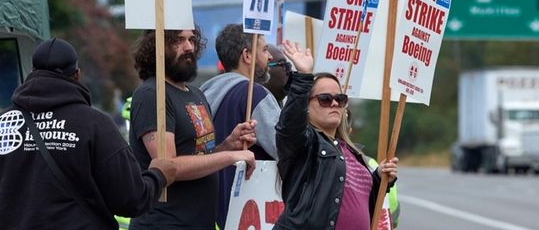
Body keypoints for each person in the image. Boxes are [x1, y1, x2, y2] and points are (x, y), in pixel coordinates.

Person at [0, 37, 177, 230]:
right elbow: (131, 200)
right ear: (77, 74)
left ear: (33, 72)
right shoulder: (94, 126)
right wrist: (158, 175)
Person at [129, 28, 256, 230]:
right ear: (156, 47)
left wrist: (228, 145)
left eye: (191, 39)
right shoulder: (152, 95)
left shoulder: (196, 94)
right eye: (178, 40)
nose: (188, 47)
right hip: (165, 224)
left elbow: (199, 155)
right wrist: (230, 157)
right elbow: (168, 166)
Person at [274, 40, 399, 230]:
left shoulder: (350, 152)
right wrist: (303, 77)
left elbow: (356, 203)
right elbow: (289, 126)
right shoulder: (303, 143)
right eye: (325, 99)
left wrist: (378, 178)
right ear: (306, 107)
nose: (334, 104)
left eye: (340, 99)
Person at [199, 23, 281, 228]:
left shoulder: (201, 98)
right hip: (249, 214)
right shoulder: (255, 95)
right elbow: (287, 148)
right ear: (247, 55)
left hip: (209, 210)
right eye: (264, 50)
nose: (270, 57)